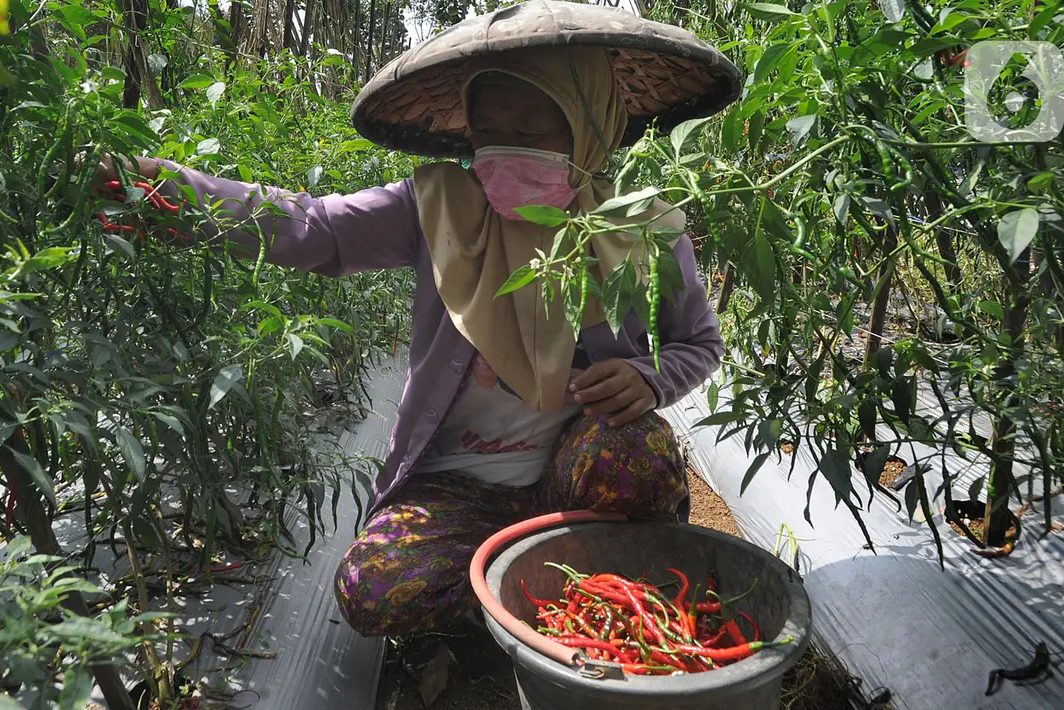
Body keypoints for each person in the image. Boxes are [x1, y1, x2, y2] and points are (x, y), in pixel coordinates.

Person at [95, 0, 739, 638]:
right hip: (457, 484)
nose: (507, 149)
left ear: (589, 124)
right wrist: (175, 192)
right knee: (373, 588)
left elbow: (698, 344)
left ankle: (587, 578)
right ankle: (532, 579)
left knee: (634, 449)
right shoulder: (436, 208)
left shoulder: (642, 227)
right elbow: (316, 228)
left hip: (570, 471)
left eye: (534, 131)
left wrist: (647, 377)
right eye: (491, 131)